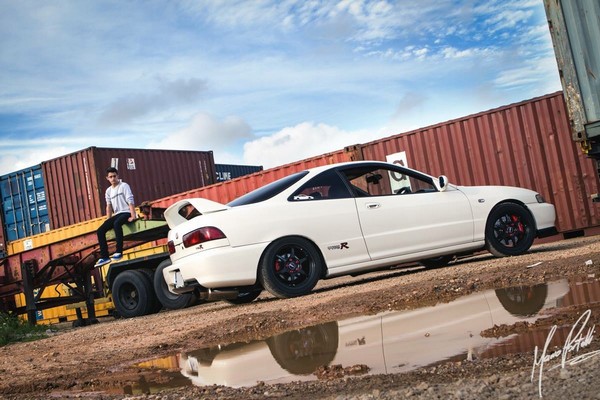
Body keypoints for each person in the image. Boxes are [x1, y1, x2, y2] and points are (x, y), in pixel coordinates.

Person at [95, 167, 136, 267]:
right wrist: (107, 221)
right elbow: (108, 206)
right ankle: (105, 257)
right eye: (110, 177)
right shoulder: (108, 191)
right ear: (107, 178)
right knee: (100, 230)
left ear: (117, 176)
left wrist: (133, 216)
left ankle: (119, 252)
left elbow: (130, 200)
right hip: (117, 214)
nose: (113, 178)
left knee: (116, 224)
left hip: (126, 212)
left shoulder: (124, 186)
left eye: (114, 176)